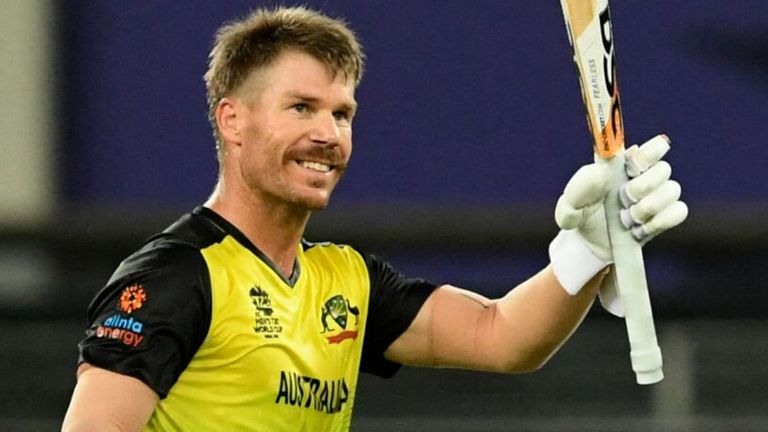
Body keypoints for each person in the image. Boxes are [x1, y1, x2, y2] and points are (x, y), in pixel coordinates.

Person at [61, 6, 688, 432]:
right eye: (301, 107)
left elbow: (502, 337)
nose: (327, 134)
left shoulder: (347, 281)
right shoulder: (175, 277)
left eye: (342, 114)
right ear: (233, 121)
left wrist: (590, 246)